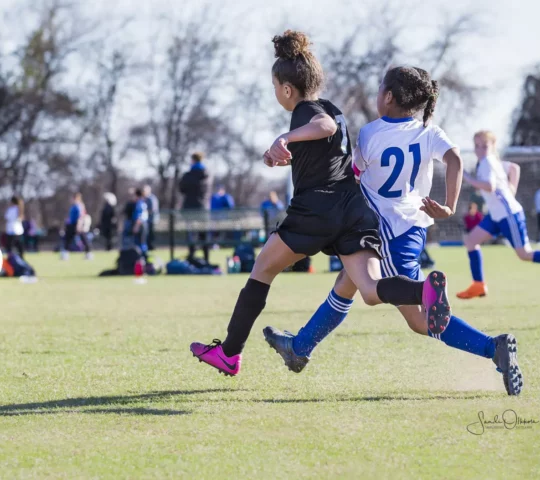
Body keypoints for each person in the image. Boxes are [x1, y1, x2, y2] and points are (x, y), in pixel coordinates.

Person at [190, 32, 454, 382]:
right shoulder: (333, 108)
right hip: (353, 210)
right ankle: (424, 290)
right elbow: (327, 146)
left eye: (274, 86)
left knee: (263, 270)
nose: (276, 93)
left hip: (317, 209)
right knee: (372, 291)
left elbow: (321, 127)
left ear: (286, 88)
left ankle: (229, 354)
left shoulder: (308, 111)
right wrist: (282, 156)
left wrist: (284, 138)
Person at [264, 66, 522, 396]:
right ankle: (299, 347)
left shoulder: (371, 133)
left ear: (388, 97)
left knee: (418, 319)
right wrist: (449, 206)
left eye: (378, 90)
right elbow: (455, 160)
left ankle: (493, 347)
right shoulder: (429, 132)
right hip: (413, 228)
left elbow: (350, 173)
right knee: (347, 283)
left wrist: (300, 164)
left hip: (382, 228)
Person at [458, 130, 540, 299]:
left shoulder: (488, 161)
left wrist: (466, 177)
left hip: (509, 214)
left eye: (485, 145)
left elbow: (490, 186)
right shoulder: (490, 161)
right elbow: (514, 168)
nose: (480, 149)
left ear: (493, 146)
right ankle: (478, 285)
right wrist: (512, 188)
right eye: (477, 146)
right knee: (471, 241)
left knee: (524, 254)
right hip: (496, 216)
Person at [180, 152, 211, 264]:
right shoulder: (207, 174)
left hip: (190, 208)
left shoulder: (188, 175)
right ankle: (206, 259)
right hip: (203, 208)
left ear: (193, 160)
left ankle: (192, 257)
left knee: (191, 234)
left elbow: (182, 189)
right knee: (203, 235)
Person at [62, 192, 92, 260]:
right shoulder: (73, 206)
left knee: (84, 239)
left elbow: (80, 216)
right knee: (68, 239)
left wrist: (79, 225)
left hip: (78, 224)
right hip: (72, 224)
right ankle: (65, 254)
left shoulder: (79, 205)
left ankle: (88, 254)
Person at [143, 186, 160, 251]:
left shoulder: (151, 198)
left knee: (150, 234)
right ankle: (148, 246)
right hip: (148, 219)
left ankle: (151, 246)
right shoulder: (146, 198)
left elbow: (153, 209)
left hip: (152, 219)